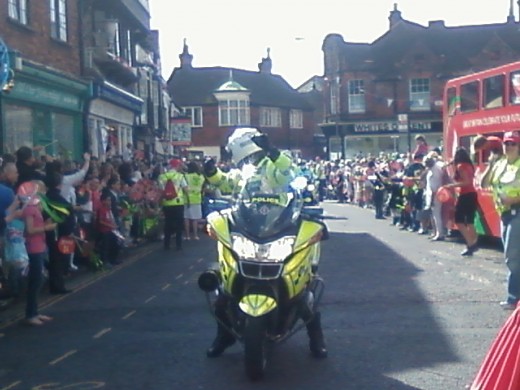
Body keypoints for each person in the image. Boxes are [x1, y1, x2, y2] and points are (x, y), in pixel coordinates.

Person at [203, 127, 328, 359]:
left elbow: (288, 172)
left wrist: (273, 152)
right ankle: (224, 335)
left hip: (280, 223)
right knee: (225, 289)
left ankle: (316, 337)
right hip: (250, 225)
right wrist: (211, 173)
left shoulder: (273, 164)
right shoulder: (246, 169)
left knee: (301, 289)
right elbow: (228, 184)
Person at [481, 131, 520, 309]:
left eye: (513, 144)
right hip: (504, 214)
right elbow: (483, 184)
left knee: (511, 256)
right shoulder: (500, 164)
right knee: (512, 257)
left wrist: (513, 200)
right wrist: (490, 165)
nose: (509, 147)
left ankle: (513, 298)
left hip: (517, 211)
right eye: (507, 143)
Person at [22, 181, 56, 325]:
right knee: (36, 280)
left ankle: (35, 311)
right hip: (33, 247)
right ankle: (30, 314)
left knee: (39, 279)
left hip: (40, 246)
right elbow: (29, 230)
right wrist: (46, 228)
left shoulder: (36, 207)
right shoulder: (30, 208)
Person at [442, 147, 479, 256]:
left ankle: (470, 243)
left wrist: (451, 185)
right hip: (472, 194)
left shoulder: (461, 166)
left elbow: (466, 182)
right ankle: (473, 242)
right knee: (470, 221)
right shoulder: (469, 165)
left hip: (465, 194)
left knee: (459, 220)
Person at [158, 159, 188, 251]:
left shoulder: (162, 177)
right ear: (177, 166)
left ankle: (166, 244)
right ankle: (178, 245)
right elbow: (186, 189)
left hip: (166, 203)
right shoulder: (180, 176)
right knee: (179, 225)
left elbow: (160, 190)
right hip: (178, 203)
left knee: (167, 224)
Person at [423, 152, 446, 241]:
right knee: (434, 215)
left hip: (435, 194)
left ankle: (440, 233)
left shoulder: (434, 171)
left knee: (436, 215)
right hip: (434, 194)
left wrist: (432, 200)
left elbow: (433, 187)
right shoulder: (436, 167)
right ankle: (436, 232)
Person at [183, 161, 204, 240]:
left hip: (187, 199)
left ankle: (187, 236)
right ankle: (195, 235)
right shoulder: (201, 177)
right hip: (197, 199)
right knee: (195, 219)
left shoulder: (185, 176)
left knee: (186, 218)